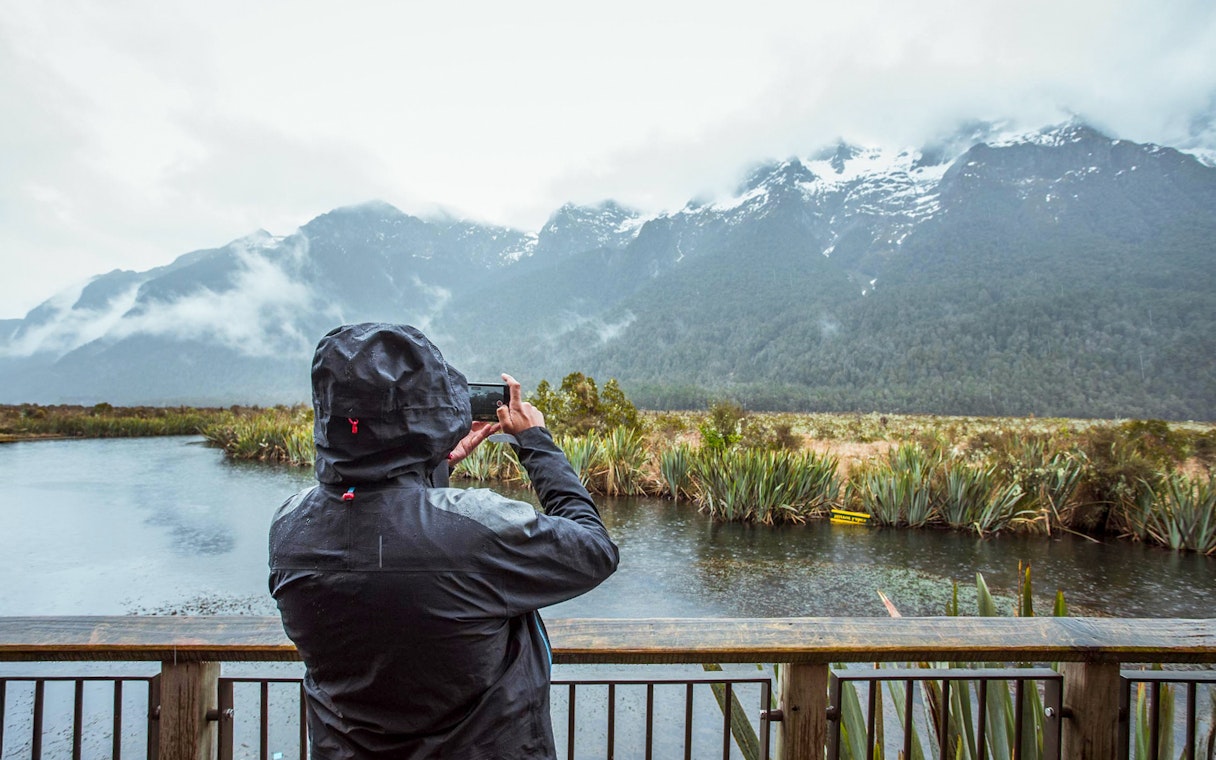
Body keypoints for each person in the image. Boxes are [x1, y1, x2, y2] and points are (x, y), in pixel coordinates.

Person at [269, 323, 619, 759]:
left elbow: (383, 519)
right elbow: (594, 549)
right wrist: (535, 443)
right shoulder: (476, 530)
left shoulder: (289, 529)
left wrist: (429, 466)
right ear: (431, 412)